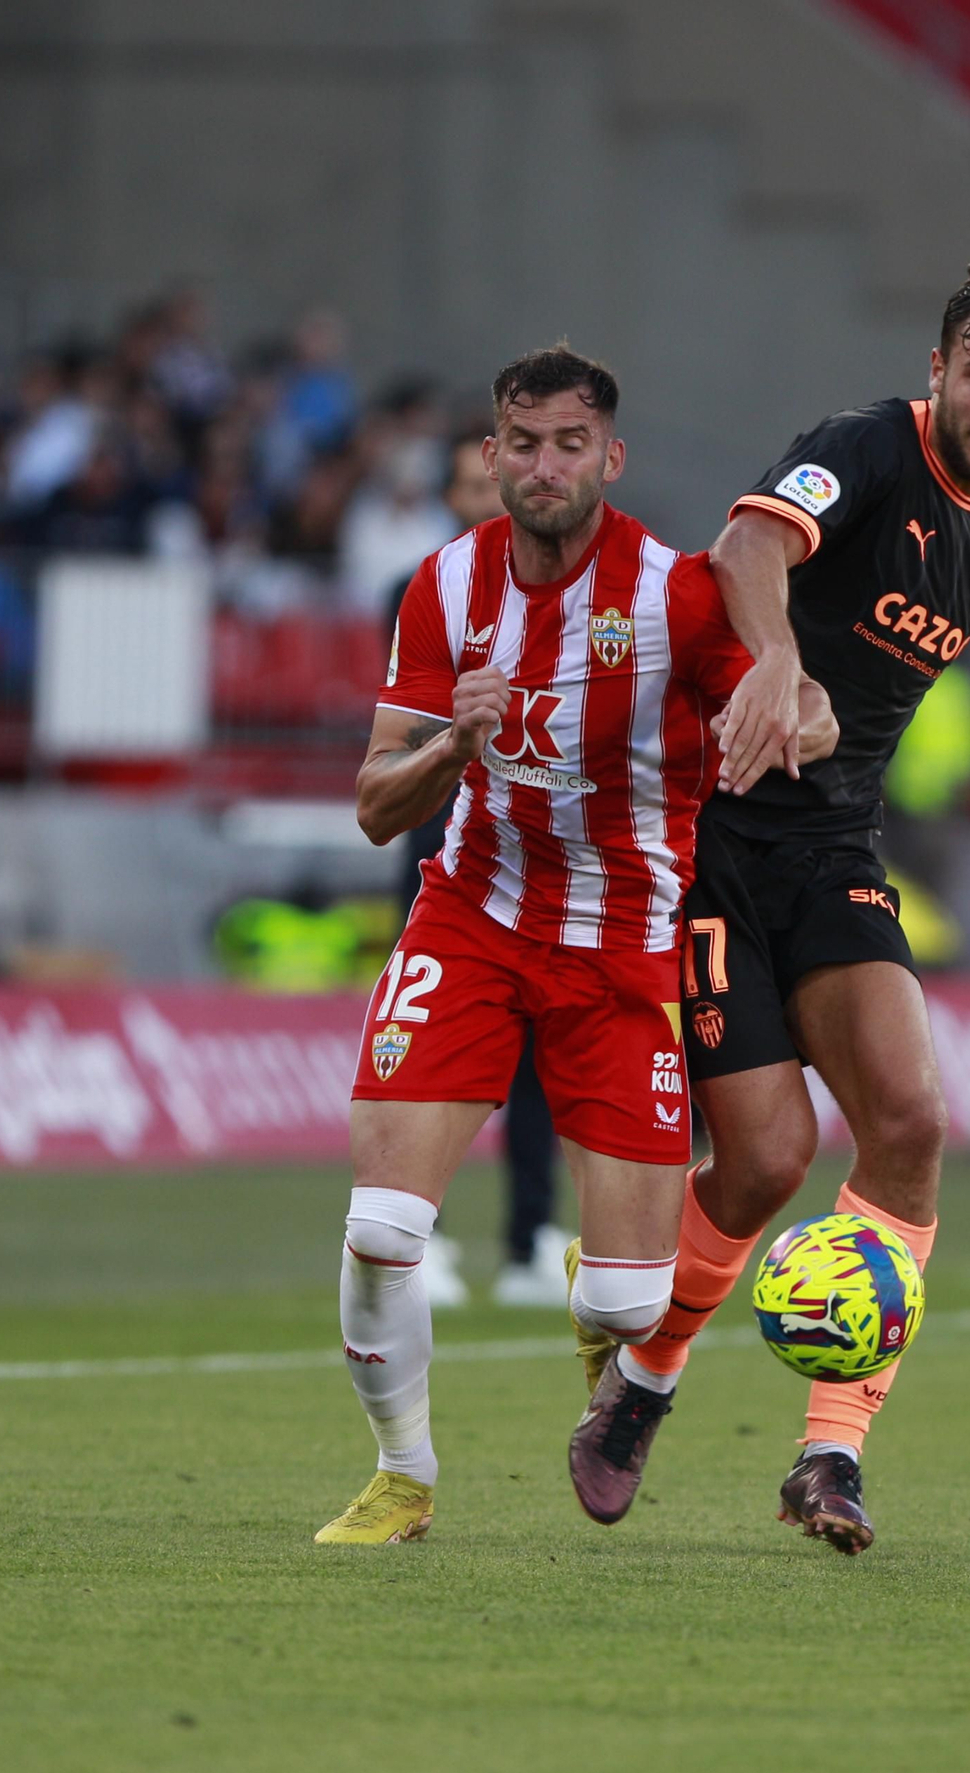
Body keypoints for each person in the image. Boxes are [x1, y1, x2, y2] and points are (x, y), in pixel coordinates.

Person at [567, 257, 970, 1553]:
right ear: (938, 369)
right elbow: (747, 545)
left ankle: (831, 1458)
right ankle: (641, 1387)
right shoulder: (866, 447)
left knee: (908, 1121)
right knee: (764, 1161)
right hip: (715, 834)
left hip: (836, 846)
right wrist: (781, 661)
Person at [315, 345, 836, 1544]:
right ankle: (403, 1476)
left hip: (621, 951)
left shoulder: (676, 593)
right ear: (491, 455)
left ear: (608, 456)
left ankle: (599, 1315)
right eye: (520, 442)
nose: (541, 466)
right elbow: (374, 803)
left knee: (629, 1297)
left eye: (567, 444)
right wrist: (453, 744)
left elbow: (784, 694)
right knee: (384, 1229)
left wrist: (795, 705)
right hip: (472, 917)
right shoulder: (444, 587)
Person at [386, 428, 571, 1311]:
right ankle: (422, 1237)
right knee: (436, 1063)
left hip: (537, 865)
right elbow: (402, 735)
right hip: (439, 860)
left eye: (483, 481)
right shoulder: (425, 590)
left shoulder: (568, 596)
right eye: (463, 483)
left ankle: (532, 1236)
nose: (480, 496)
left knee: (539, 1061)